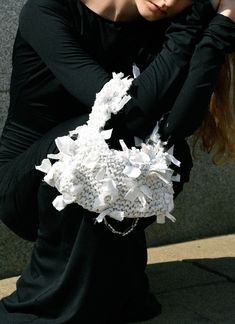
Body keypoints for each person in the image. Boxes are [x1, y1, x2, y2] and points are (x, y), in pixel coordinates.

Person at [0, 0, 235, 322]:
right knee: (94, 136)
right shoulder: (48, 10)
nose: (168, 1)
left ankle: (114, 284)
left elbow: (176, 126)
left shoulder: (168, 26)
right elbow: (124, 113)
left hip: (101, 163)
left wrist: (215, 30)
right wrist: (191, 25)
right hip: (27, 184)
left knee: (171, 153)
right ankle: (52, 300)